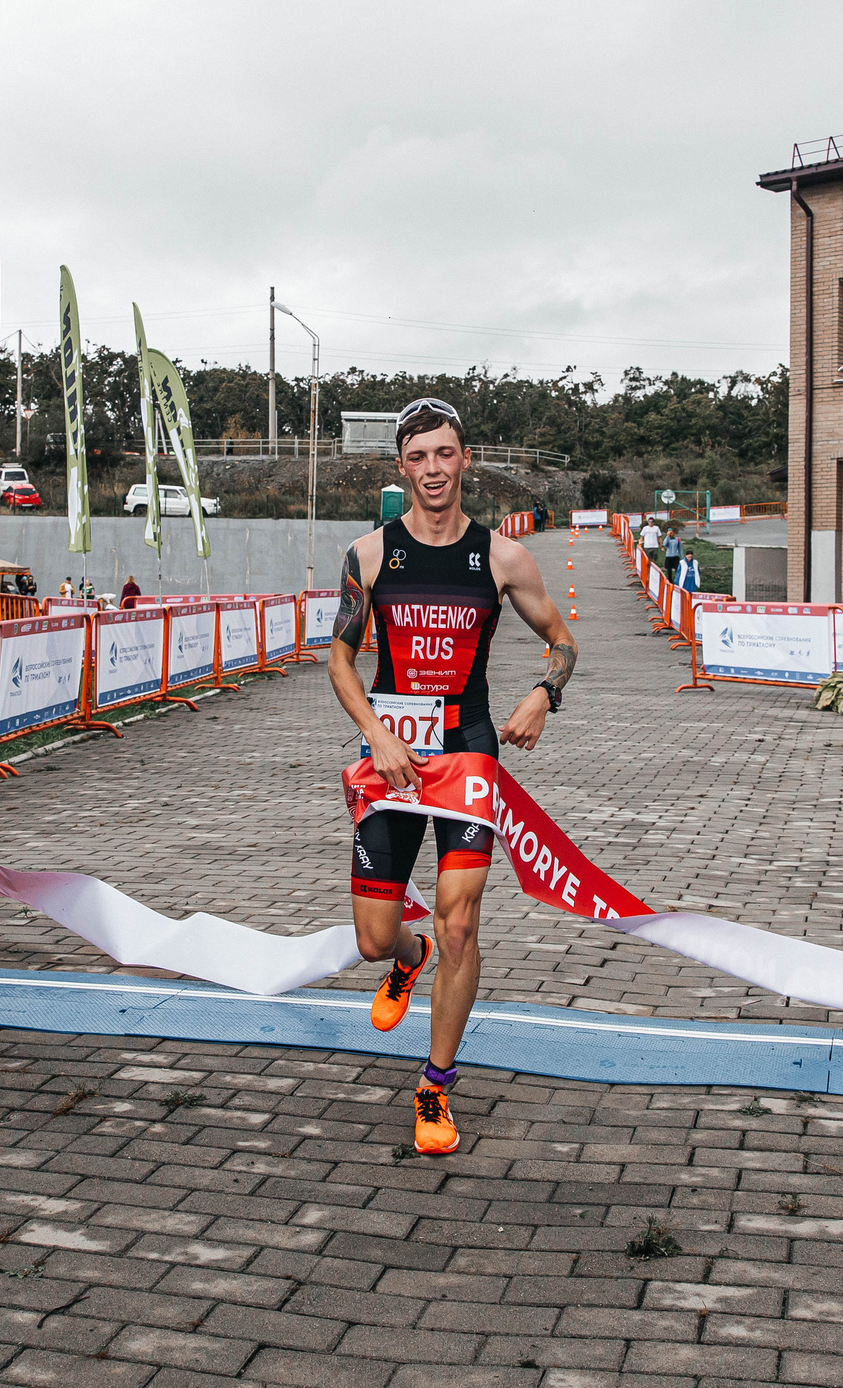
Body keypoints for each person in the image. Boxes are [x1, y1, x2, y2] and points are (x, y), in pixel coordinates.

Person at [329, 396, 576, 1155]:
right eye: (418, 457)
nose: (433, 469)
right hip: (394, 755)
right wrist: (375, 733)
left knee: (460, 918)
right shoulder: (370, 554)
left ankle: (435, 1084)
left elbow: (562, 643)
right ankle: (409, 959)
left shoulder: (503, 558)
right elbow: (339, 657)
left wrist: (544, 693)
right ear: (400, 467)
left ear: (465, 459)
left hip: (468, 752)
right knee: (374, 938)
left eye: (445, 453)